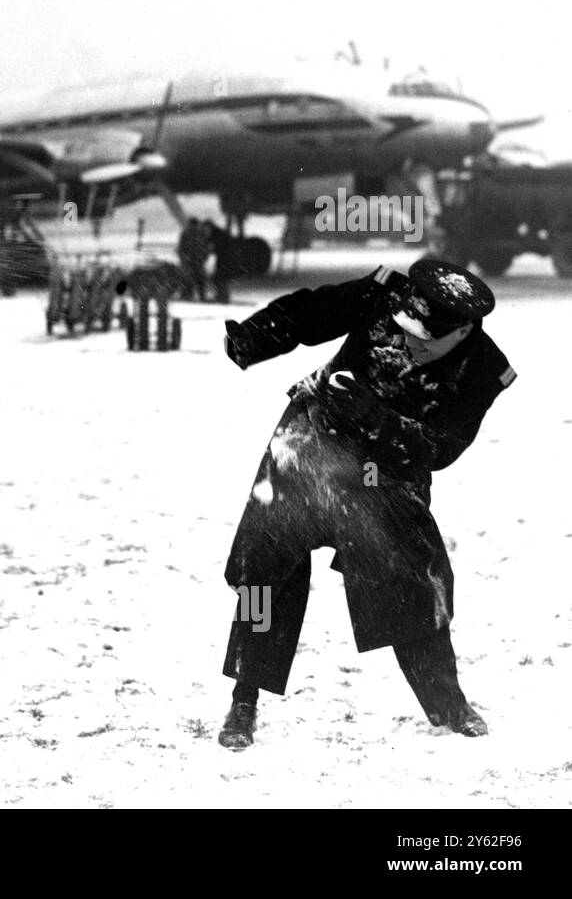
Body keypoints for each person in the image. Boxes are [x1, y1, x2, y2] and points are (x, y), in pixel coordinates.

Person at [216, 259, 515, 749]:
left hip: (387, 465)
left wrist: (379, 419)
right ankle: (244, 697)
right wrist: (254, 336)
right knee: (264, 570)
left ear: (462, 330)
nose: (409, 342)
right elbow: (311, 312)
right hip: (312, 436)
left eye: (425, 338)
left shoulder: (483, 370)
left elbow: (441, 449)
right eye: (404, 330)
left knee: (410, 579)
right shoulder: (384, 295)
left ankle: (447, 705)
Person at [177, 217, 211, 301]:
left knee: (196, 279)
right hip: (192, 260)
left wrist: (203, 257)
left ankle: (195, 295)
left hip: (196, 260)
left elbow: (205, 247)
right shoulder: (188, 234)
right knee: (192, 279)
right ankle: (191, 295)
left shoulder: (191, 234)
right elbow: (181, 248)